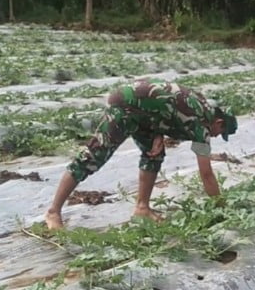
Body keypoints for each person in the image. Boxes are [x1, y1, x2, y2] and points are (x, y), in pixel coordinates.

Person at [44, 78, 238, 230]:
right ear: (219, 122)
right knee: (93, 157)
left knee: (154, 155)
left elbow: (169, 107)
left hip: (146, 114)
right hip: (126, 106)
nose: (217, 136)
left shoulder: (202, 108)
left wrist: (157, 131)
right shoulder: (201, 125)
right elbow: (206, 173)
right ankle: (53, 212)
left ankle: (142, 208)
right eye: (221, 133)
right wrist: (221, 208)